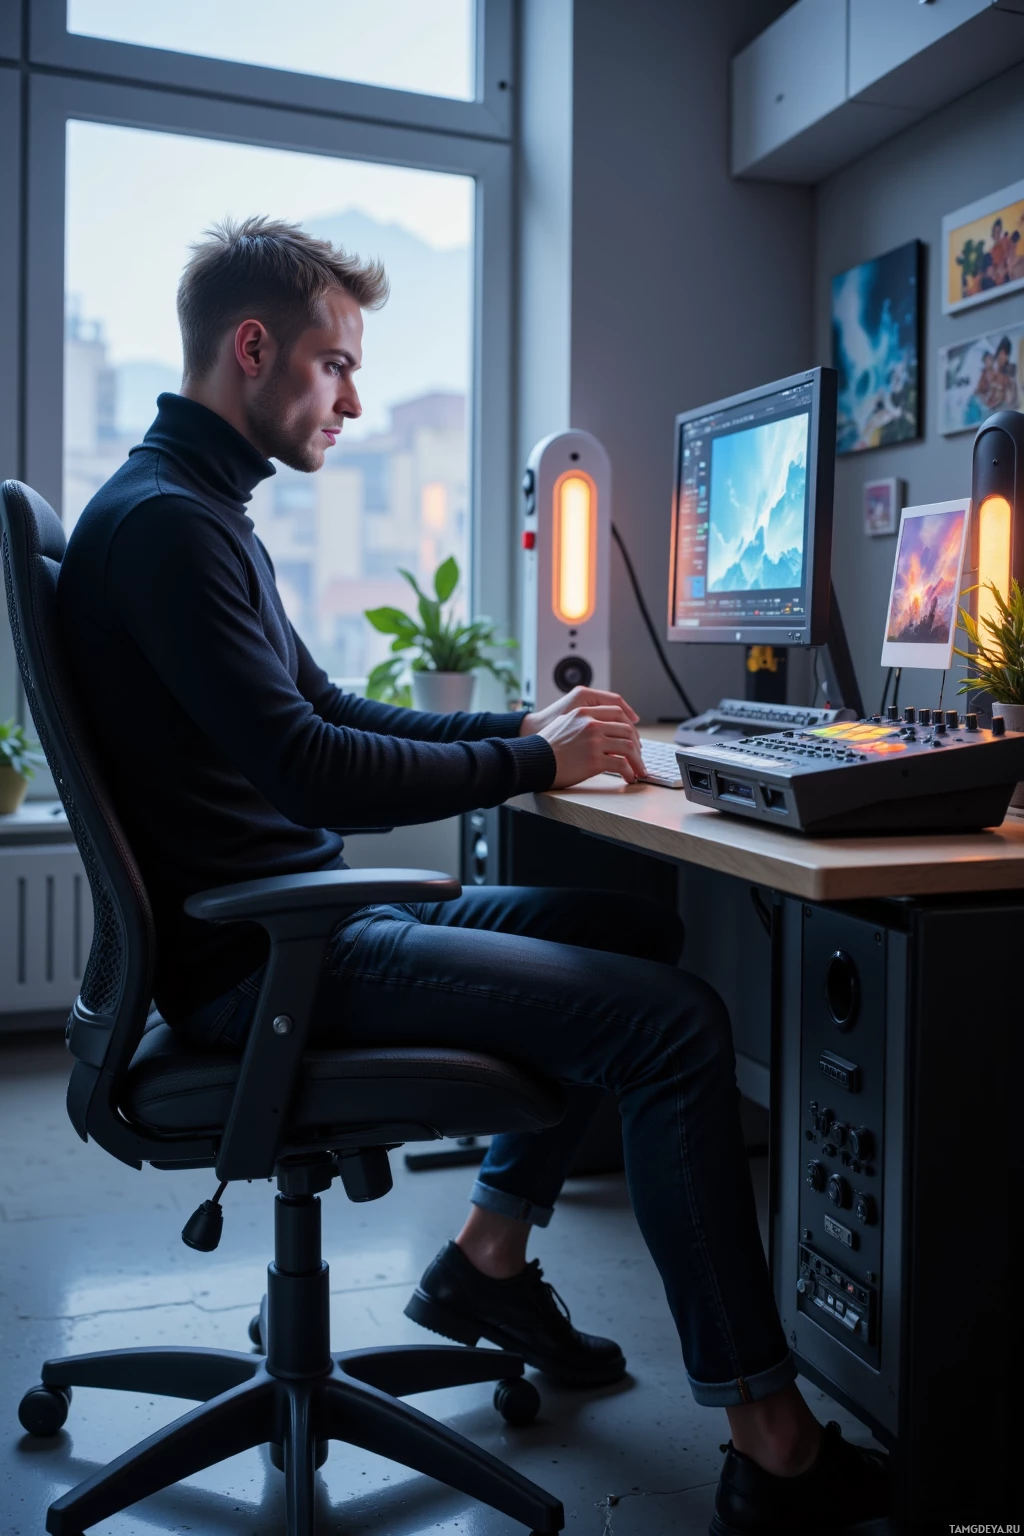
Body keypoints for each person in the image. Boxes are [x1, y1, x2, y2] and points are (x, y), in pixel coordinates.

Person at [56, 217, 887, 1535]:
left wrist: (515, 736)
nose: (353, 398)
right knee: (675, 1035)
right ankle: (773, 1444)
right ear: (253, 348)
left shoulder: (194, 509)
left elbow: (323, 705)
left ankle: (484, 1261)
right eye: (336, 365)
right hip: (267, 962)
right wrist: (526, 770)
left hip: (289, 932)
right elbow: (312, 771)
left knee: (630, 929)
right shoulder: (169, 529)